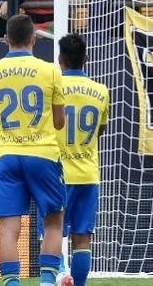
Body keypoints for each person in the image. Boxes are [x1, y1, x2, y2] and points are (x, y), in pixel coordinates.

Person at [0, 14, 67, 286]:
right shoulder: (51, 70)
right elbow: (59, 121)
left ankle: (11, 284)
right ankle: (46, 282)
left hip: (6, 155)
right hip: (42, 154)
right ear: (34, 38)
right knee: (54, 221)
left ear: (5, 39)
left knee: (8, 228)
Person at [55, 32, 110, 286]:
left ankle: (58, 275)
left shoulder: (52, 89)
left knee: (52, 233)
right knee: (82, 238)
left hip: (57, 173)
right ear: (86, 58)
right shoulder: (101, 91)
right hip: (87, 172)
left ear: (59, 59)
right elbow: (100, 130)